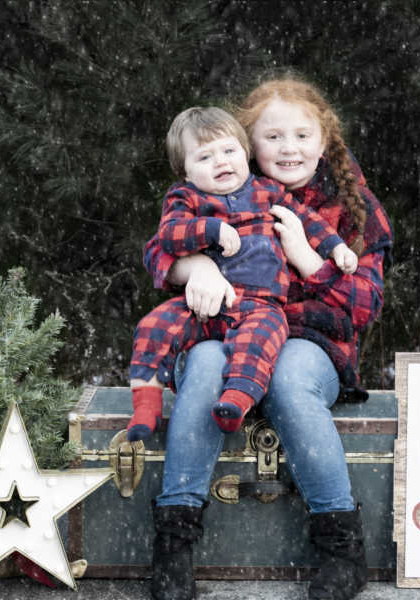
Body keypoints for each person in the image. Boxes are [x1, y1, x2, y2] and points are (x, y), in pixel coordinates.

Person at [142, 76, 392, 600]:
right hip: (224, 327)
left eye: (302, 136)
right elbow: (158, 248)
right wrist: (195, 268)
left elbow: (365, 306)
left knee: (289, 379)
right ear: (248, 140)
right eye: (273, 137)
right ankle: (174, 544)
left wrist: (306, 257)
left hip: (310, 340)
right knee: (206, 369)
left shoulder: (352, 205)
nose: (289, 149)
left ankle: (341, 543)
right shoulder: (222, 179)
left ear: (323, 143)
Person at [127, 106, 358, 441]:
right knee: (153, 328)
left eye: (229, 151)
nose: (221, 162)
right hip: (206, 305)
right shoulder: (186, 198)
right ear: (186, 172)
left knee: (260, 340)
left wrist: (336, 248)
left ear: (244, 153)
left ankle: (237, 400)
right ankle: (146, 407)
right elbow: (168, 235)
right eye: (205, 157)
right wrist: (210, 231)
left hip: (261, 304)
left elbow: (309, 222)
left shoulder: (269, 192)